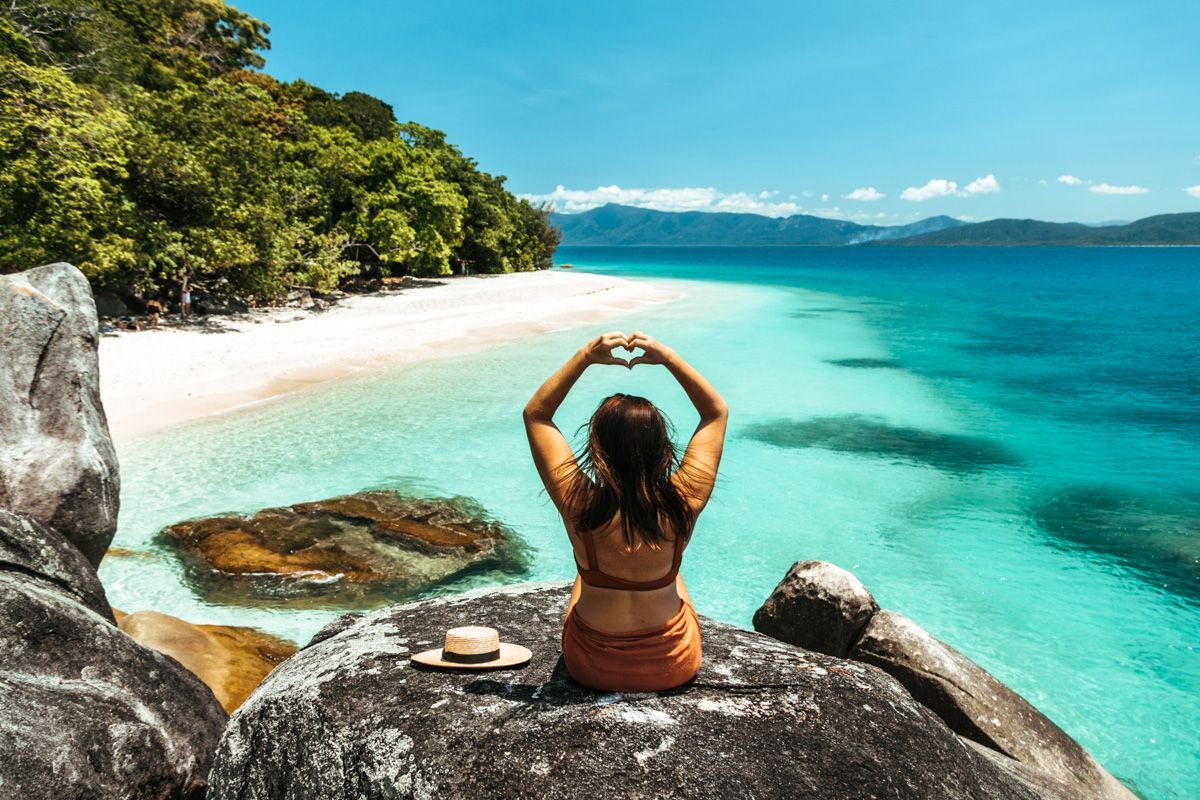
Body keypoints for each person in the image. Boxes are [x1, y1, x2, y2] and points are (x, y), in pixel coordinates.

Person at [524, 330, 727, 692]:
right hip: (674, 665)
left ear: (597, 447)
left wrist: (586, 355)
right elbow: (715, 414)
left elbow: (537, 415)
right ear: (663, 447)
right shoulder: (683, 500)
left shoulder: (579, 502)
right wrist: (666, 357)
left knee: (586, 571)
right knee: (672, 574)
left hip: (592, 667)